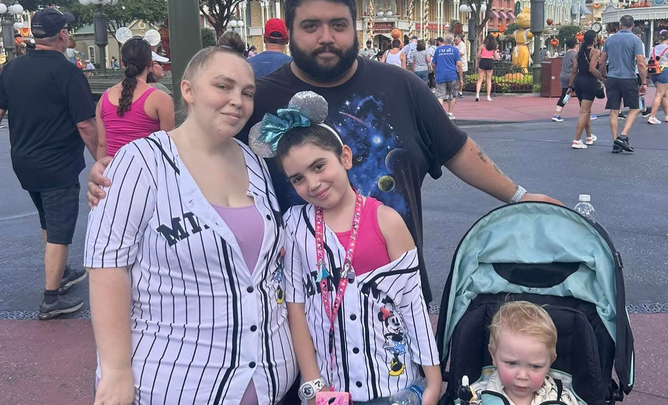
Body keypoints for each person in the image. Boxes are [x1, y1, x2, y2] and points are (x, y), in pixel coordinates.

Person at [87, 0, 559, 309]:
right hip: (295, 300)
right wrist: (121, 172)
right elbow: (198, 148)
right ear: (291, 31)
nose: (326, 37)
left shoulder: (403, 87)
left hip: (392, 292)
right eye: (311, 26)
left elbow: (458, 151)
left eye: (338, 25)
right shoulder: (258, 99)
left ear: (355, 27)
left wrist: (519, 196)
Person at [85, 33, 297, 405]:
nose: (237, 101)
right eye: (223, 86)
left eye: (247, 93)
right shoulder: (140, 162)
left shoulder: (254, 162)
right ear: (188, 90)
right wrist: (115, 369)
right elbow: (107, 266)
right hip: (175, 380)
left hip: (267, 380)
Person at [248, 92, 442, 404]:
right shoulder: (294, 226)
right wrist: (313, 384)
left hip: (392, 387)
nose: (313, 184)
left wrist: (432, 382)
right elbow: (295, 308)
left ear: (345, 157)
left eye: (319, 166)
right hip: (330, 388)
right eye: (298, 178)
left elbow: (412, 304)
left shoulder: (387, 221)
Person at [0, 8, 98, 320]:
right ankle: (51, 299)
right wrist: (103, 159)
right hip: (57, 164)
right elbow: (85, 125)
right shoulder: (67, 72)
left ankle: (62, 271)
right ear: (62, 35)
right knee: (60, 229)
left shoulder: (12, 68)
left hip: (24, 162)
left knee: (47, 219)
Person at [461, 301, 580, 405]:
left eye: (535, 366)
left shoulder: (563, 399)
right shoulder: (476, 397)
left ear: (550, 362)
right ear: (493, 355)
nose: (522, 376)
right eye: (512, 363)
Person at [97, 38, 175, 159]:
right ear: (150, 63)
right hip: (148, 168)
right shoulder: (160, 99)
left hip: (113, 168)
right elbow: (168, 145)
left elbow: (102, 144)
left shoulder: (104, 98)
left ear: (122, 63)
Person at [599, 15, 646, 154]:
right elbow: (641, 63)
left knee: (614, 110)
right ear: (633, 25)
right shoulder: (635, 40)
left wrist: (605, 76)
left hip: (612, 77)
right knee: (635, 108)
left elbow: (602, 61)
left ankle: (615, 142)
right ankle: (623, 136)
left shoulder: (610, 39)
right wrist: (643, 82)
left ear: (620, 25)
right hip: (628, 78)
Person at [568, 31, 603, 149]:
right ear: (594, 39)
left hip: (579, 82)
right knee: (584, 111)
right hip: (589, 82)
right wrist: (602, 78)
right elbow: (592, 68)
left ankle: (588, 136)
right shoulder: (595, 52)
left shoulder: (579, 53)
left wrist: (570, 86)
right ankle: (577, 140)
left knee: (586, 110)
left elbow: (574, 70)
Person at [647, 31, 668, 125]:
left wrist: (647, 76)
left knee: (663, 94)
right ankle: (652, 116)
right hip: (664, 71)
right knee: (659, 94)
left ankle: (667, 114)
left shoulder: (653, 49)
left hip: (654, 72)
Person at [433, 34, 463, 119]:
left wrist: (435, 73)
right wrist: (461, 78)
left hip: (440, 75)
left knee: (440, 95)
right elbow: (459, 64)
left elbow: (433, 64)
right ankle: (449, 113)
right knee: (452, 95)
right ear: (452, 41)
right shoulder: (455, 50)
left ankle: (439, 114)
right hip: (452, 75)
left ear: (444, 41)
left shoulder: (438, 50)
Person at [552, 38, 578, 122]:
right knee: (582, 94)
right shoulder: (575, 54)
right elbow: (576, 67)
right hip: (572, 76)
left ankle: (557, 113)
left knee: (564, 95)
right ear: (575, 45)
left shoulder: (565, 54)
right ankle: (586, 113)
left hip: (563, 75)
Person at [476, 35, 499, 102]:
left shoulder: (482, 46)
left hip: (483, 61)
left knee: (480, 79)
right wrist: (492, 57)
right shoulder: (493, 47)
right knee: (488, 80)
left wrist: (482, 56)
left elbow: (478, 55)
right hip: (489, 61)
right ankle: (488, 96)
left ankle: (477, 95)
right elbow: (496, 57)